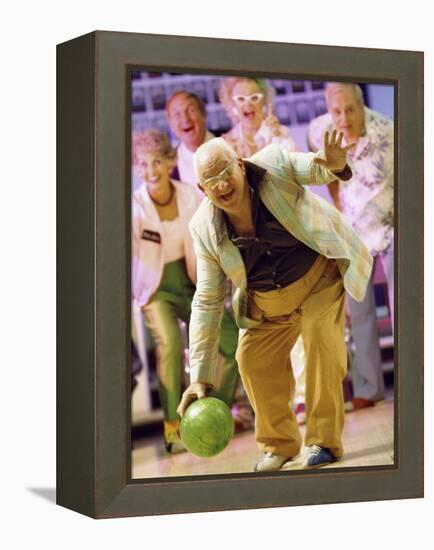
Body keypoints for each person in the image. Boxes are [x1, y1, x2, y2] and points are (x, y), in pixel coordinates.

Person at [177, 135, 372, 472]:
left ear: (239, 163)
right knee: (250, 359)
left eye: (226, 171)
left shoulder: (273, 165)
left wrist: (335, 164)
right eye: (211, 182)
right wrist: (200, 378)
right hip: (267, 303)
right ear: (201, 188)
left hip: (317, 281)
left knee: (321, 339)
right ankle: (278, 445)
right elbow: (207, 299)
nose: (222, 185)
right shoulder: (204, 228)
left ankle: (324, 441)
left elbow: (315, 167)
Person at [132, 129, 239, 453]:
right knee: (169, 342)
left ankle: (210, 412)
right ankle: (172, 425)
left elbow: (210, 240)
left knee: (233, 343)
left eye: (155, 162)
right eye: (141, 164)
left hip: (193, 283)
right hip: (157, 290)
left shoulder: (190, 196)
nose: (150, 171)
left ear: (168, 163)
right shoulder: (134, 207)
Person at [308, 82, 394, 410]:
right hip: (354, 233)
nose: (343, 118)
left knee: (406, 307)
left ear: (361, 106)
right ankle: (368, 388)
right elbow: (323, 168)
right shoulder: (320, 130)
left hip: (390, 225)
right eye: (336, 111)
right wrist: (338, 204)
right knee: (360, 313)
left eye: (349, 110)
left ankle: (418, 378)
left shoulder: (389, 133)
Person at [218, 76, 296, 157]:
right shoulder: (227, 142)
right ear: (232, 103)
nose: (248, 104)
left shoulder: (280, 134)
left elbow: (293, 165)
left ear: (264, 100)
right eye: (241, 99)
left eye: (254, 98)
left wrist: (277, 137)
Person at [165, 91, 214, 187]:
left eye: (191, 111)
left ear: (203, 114)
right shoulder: (171, 168)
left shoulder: (232, 141)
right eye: (177, 114)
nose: (185, 119)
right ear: (170, 123)